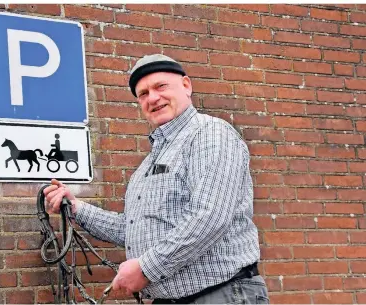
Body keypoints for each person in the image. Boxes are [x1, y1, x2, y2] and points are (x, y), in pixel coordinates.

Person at [43, 54, 269, 304]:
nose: (152, 98)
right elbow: (135, 228)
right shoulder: (148, 164)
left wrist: (146, 269)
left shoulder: (210, 134)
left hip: (221, 295)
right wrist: (76, 208)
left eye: (160, 86)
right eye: (143, 94)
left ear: (186, 85)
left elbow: (210, 216)